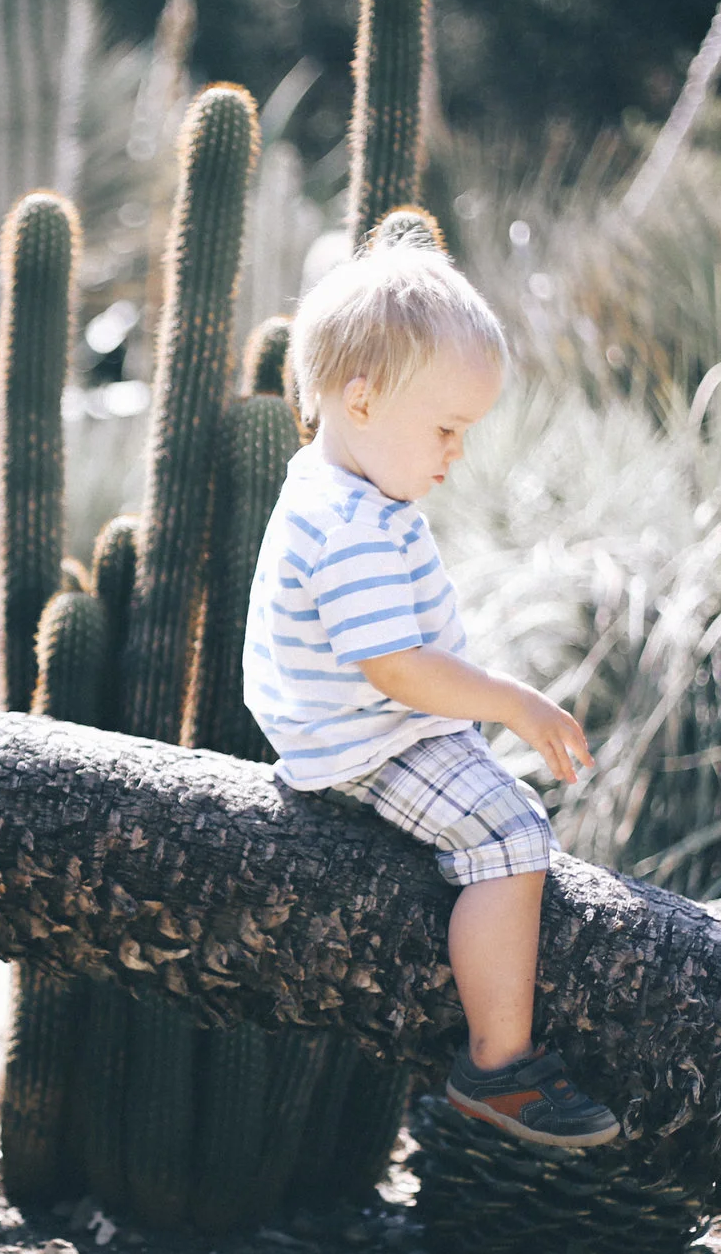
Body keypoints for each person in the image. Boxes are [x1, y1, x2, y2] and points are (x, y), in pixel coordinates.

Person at [242, 214, 620, 1148]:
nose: (457, 453)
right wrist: (514, 702)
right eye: (447, 427)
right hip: (366, 739)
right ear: (362, 399)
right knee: (510, 835)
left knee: (500, 806)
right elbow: (397, 669)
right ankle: (500, 1068)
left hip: (361, 724)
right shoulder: (353, 525)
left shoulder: (340, 480)